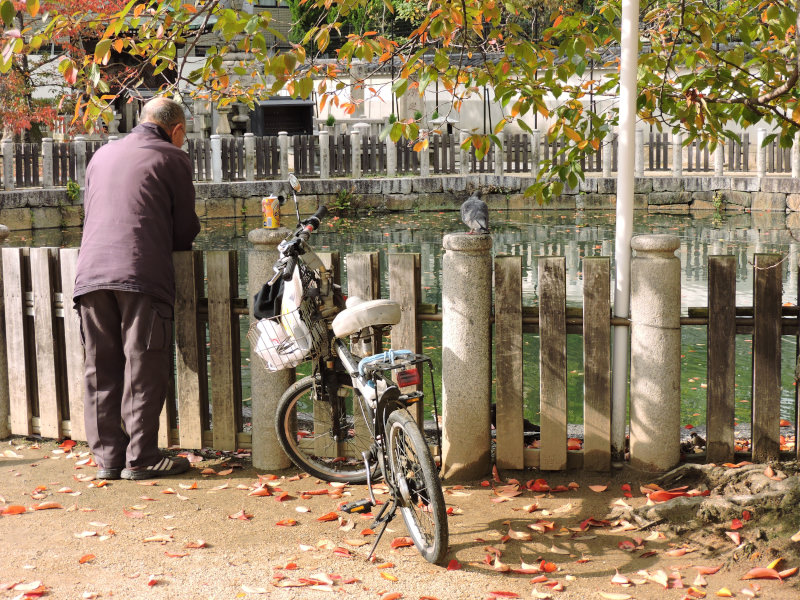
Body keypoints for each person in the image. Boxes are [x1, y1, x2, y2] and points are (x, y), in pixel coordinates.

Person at [73, 96, 200, 481]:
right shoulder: (172, 158)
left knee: (100, 366)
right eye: (184, 135)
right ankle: (142, 458)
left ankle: (109, 459)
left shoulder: (103, 155)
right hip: (140, 273)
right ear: (176, 130)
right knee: (143, 365)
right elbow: (184, 230)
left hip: (90, 273)